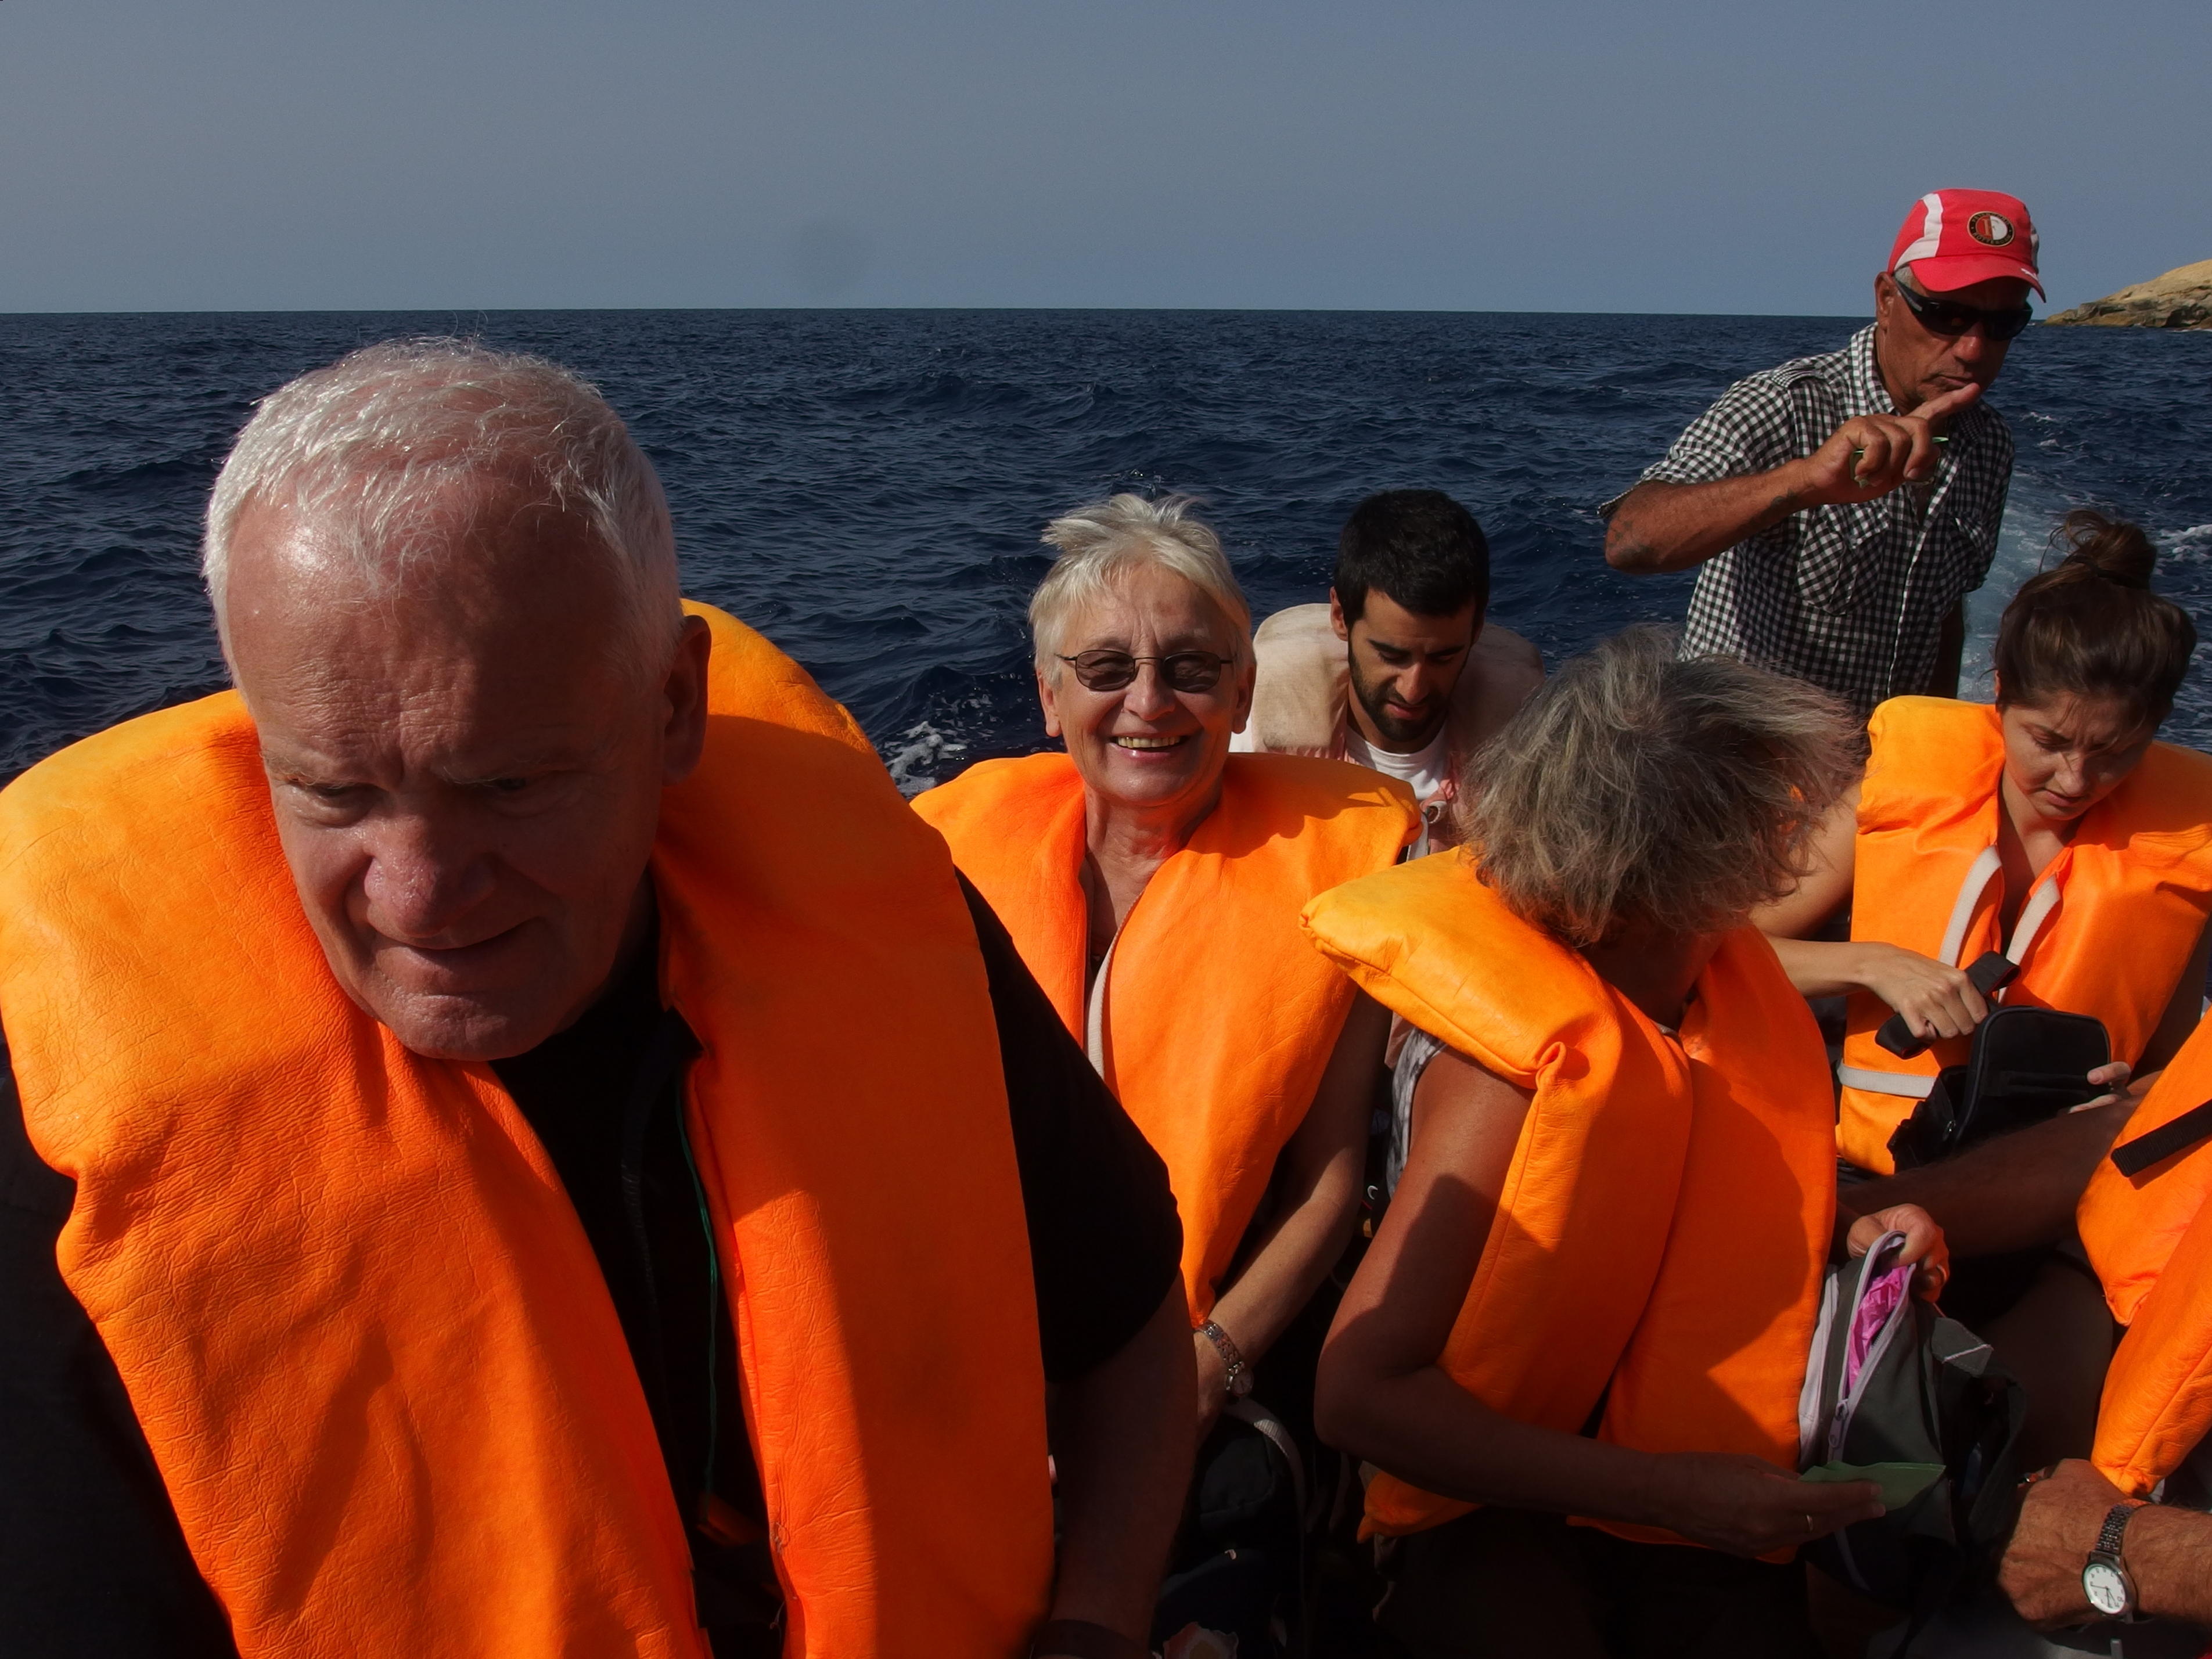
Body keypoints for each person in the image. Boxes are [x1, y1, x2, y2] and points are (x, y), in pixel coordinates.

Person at [0, 342, 1194, 1659]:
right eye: (335, 792)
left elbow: (1131, 1323)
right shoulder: (84, 1138)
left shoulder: (884, 930)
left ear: (672, 705)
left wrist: (1097, 1625)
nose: (419, 893)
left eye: (509, 786)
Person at [1305, 628, 1945, 1657]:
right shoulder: (1505, 1076)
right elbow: (1356, 1397)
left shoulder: (1712, 991)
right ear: (1698, 876)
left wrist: (1848, 1229)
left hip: (1686, 1478)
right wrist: (1666, 1493)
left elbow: (1681, 1192)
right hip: (1500, 1507)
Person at [912, 494, 1418, 1654]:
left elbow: (1326, 1183)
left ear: (1241, 693)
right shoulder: (942, 865)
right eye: (1105, 669)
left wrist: (1208, 1364)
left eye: (1191, 669)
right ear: (1049, 698)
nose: (1148, 702)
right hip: (979, 1373)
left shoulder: (1342, 878)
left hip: (1204, 1359)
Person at [1756, 512, 2212, 1462]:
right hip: (1874, 1175)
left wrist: (2129, 1078)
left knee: (2037, 1443)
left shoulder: (2180, 852)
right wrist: (1868, 961)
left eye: (2116, 751)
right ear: (1997, 694)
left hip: (2054, 1211)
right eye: (2049, 740)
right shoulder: (1897, 792)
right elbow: (1718, 947)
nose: (2075, 777)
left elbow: (2169, 1068)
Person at [1605, 189, 2041, 718]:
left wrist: (1929, 736)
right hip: (1740, 752)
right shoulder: (1784, 404)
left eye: (2002, 324)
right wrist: (1806, 481)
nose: (1973, 348)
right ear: (1885, 300)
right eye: (1946, 315)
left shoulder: (1988, 444)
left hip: (1877, 759)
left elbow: (1943, 611)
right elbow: (1631, 540)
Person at [1231, 489, 1542, 847]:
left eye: (1442, 658)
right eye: (1391, 656)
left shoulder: (1532, 757)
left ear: (1476, 630)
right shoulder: (1248, 742)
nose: (1414, 690)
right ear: (1341, 616)